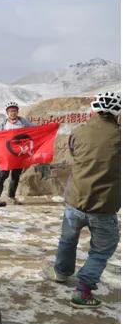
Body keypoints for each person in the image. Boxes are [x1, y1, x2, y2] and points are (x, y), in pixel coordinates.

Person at [43, 92, 120, 308]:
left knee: (68, 239)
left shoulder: (78, 132)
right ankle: (84, 291)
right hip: (104, 206)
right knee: (103, 249)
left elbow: (75, 154)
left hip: (75, 199)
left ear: (94, 110)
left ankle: (61, 272)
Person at [0, 101, 33, 205]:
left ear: (17, 112)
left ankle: (11, 196)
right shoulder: (4, 124)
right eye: (10, 111)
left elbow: (35, 131)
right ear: (7, 113)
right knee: (2, 175)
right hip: (7, 155)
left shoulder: (24, 122)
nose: (12, 113)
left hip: (19, 155)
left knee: (15, 176)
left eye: (14, 111)